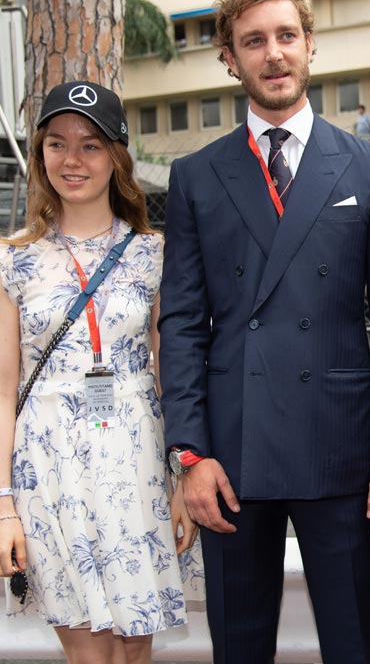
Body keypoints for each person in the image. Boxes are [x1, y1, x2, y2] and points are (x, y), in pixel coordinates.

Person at [158, 0, 370, 664]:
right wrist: (189, 452)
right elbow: (182, 323)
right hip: (230, 452)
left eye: (285, 37)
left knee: (352, 646)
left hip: (342, 449)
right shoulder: (196, 175)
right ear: (229, 57)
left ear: (310, 46)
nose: (272, 54)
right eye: (253, 41)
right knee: (239, 648)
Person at [0, 81, 198, 663]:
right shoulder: (12, 258)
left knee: (133, 655)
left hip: (137, 465)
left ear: (118, 155)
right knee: (88, 657)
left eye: (90, 145)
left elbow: (174, 375)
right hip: (48, 467)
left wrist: (183, 476)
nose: (72, 160)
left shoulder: (156, 252)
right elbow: (2, 389)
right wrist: (3, 504)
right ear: (39, 156)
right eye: (56, 144)